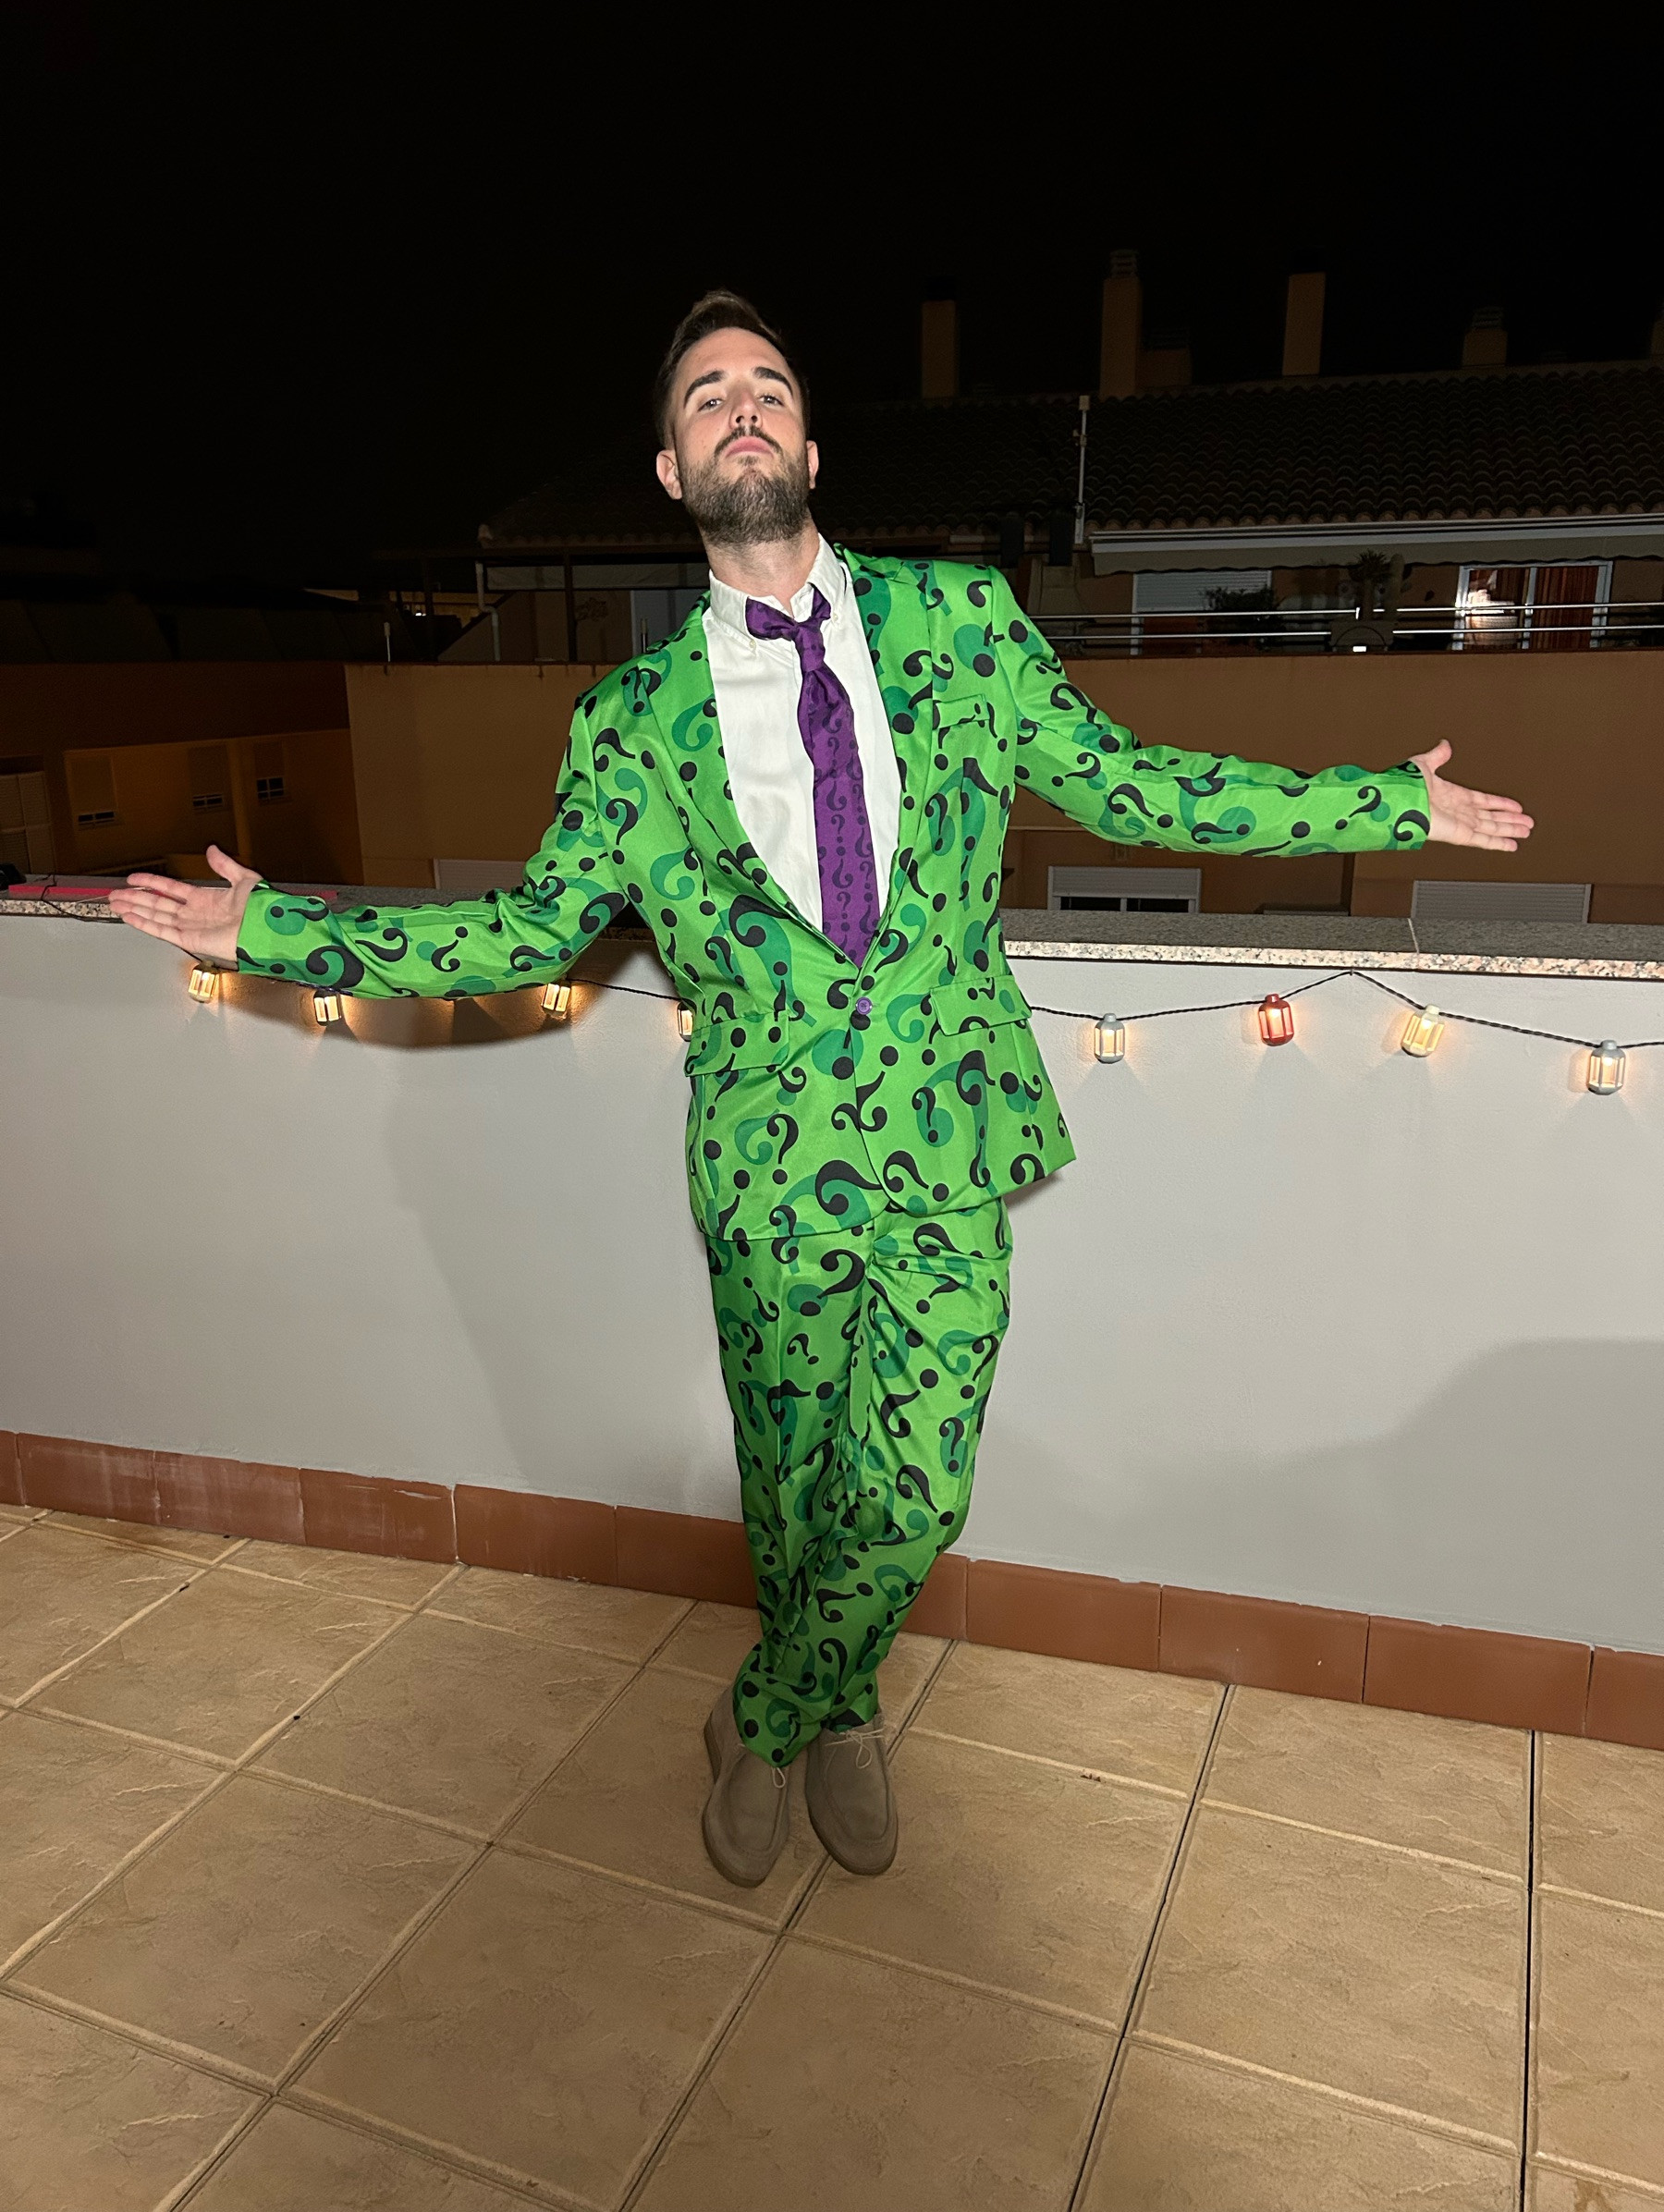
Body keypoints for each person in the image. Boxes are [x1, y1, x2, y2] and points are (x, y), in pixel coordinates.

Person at [112, 290, 1534, 1888]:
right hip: (767, 1169)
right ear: (671, 471)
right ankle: (842, 1711)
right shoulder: (628, 724)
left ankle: (768, 1713)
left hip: (951, 1144)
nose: (742, 405)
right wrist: (277, 929)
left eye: (768, 386)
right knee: (794, 1490)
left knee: (915, 1490)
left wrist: (1382, 806)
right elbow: (526, 932)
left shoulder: (963, 621)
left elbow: (1134, 785)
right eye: (707, 394)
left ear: (808, 444)